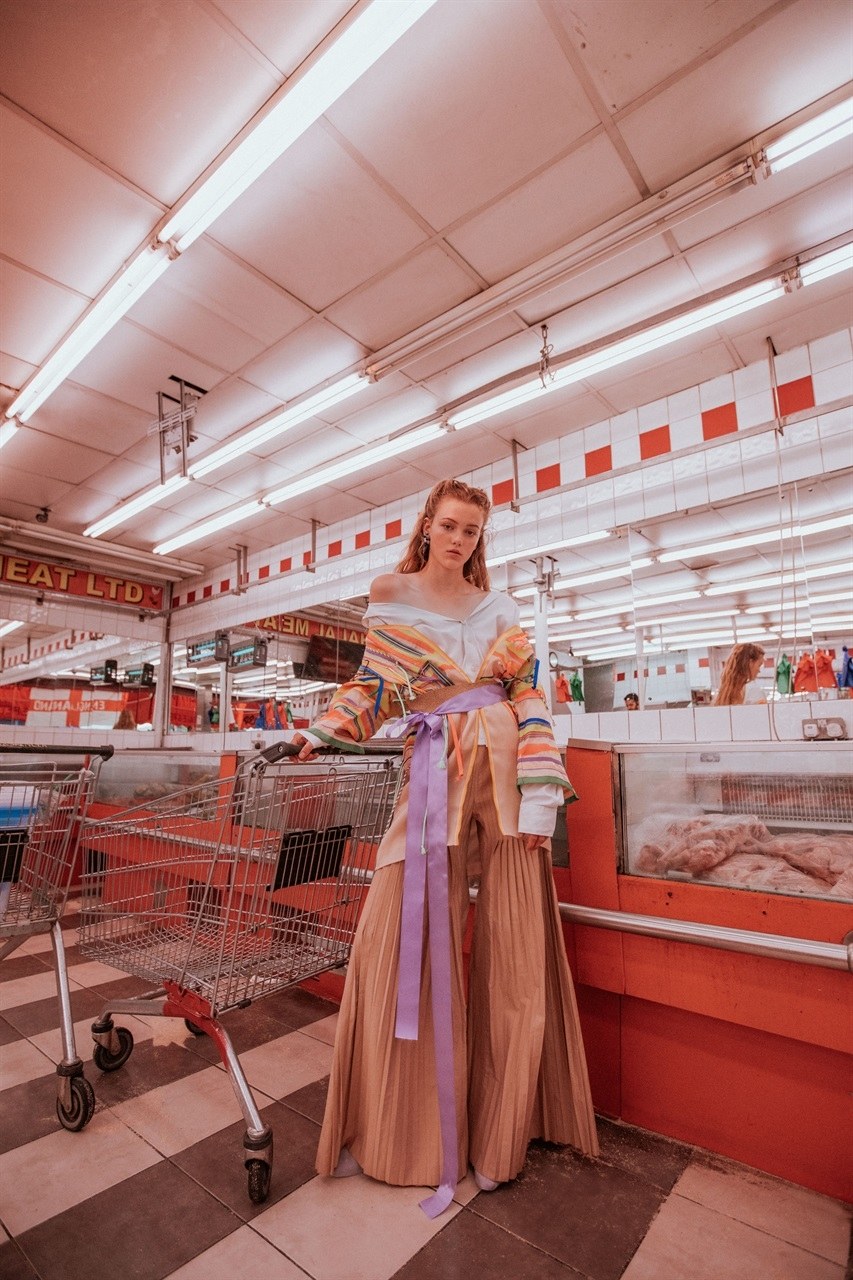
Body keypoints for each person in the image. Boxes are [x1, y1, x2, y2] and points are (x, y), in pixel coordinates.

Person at [289, 478, 598, 1217]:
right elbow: (374, 687)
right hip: (432, 766)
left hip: (509, 772)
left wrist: (544, 793)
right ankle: (404, 1139)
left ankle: (500, 1140)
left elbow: (528, 695)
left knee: (516, 951)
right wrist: (321, 731)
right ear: (427, 523)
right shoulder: (390, 593)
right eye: (450, 525)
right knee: (395, 938)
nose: (459, 540)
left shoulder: (501, 608)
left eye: (472, 531)